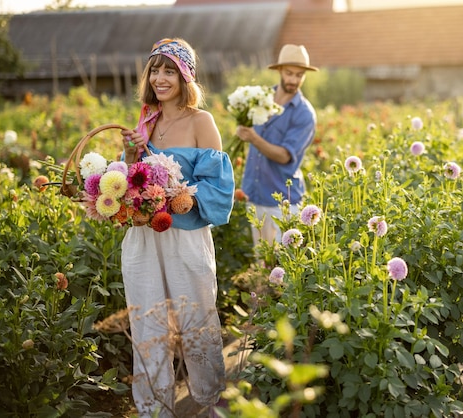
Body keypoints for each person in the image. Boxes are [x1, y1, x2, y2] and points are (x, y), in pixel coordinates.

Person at [120, 38, 234, 417]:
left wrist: (173, 194)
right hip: (144, 239)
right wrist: (131, 155)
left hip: (184, 236)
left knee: (196, 317)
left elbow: (218, 188)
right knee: (147, 321)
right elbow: (131, 178)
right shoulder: (146, 120)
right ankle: (154, 407)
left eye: (169, 70)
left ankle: (210, 397)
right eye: (155, 69)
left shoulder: (202, 122)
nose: (160, 78)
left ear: (185, 76)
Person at [235, 44, 318, 246]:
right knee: (262, 263)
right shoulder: (260, 99)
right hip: (255, 194)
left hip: (284, 201)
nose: (294, 80)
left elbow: (284, 156)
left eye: (299, 75)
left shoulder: (304, 114)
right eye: (289, 73)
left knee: (283, 267)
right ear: (279, 70)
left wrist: (253, 138)